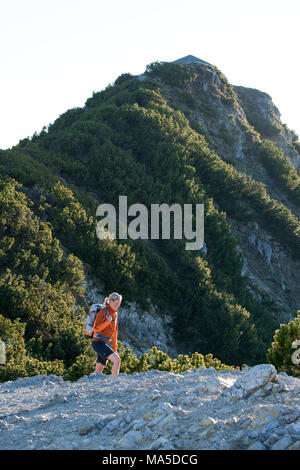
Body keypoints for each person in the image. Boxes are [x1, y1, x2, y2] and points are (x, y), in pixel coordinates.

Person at [91, 292, 122, 376]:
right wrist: (107, 322)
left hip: (105, 343)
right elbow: (95, 328)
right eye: (116, 303)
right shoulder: (103, 312)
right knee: (117, 360)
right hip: (98, 342)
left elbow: (115, 331)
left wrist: (114, 346)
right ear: (110, 301)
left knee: (99, 369)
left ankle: (93, 383)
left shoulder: (114, 314)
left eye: (119, 304)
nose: (117, 305)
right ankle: (115, 382)